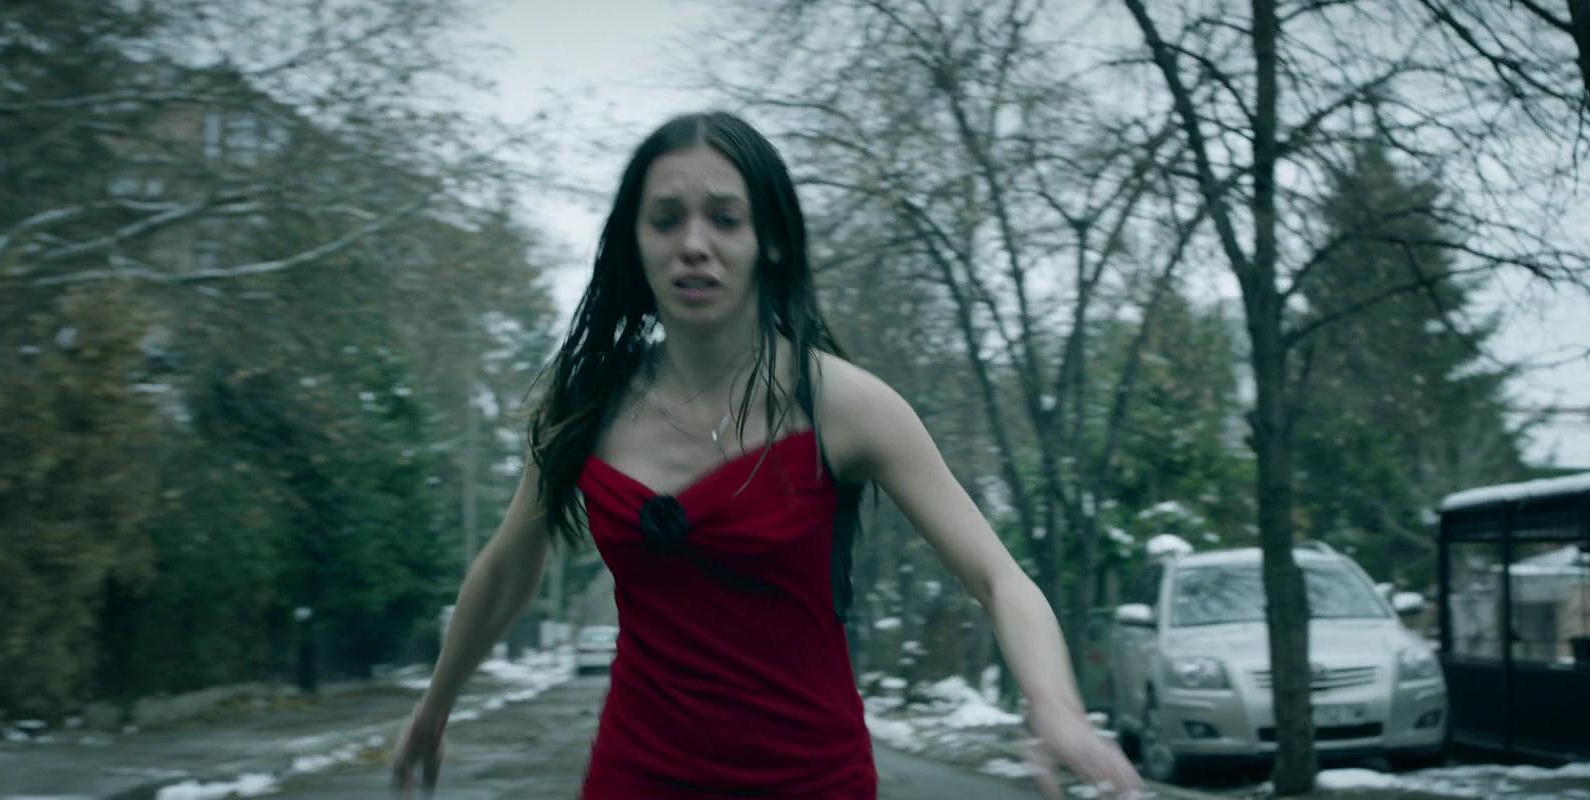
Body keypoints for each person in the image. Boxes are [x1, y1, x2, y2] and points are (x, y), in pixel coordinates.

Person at [390, 111, 1143, 799]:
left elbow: (998, 578)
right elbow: (506, 571)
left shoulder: (847, 407)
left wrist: (1055, 706)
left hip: (812, 780)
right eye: (666, 220)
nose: (694, 244)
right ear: (635, 241)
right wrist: (434, 707)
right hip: (638, 776)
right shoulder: (585, 403)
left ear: (769, 240)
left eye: (725, 218)